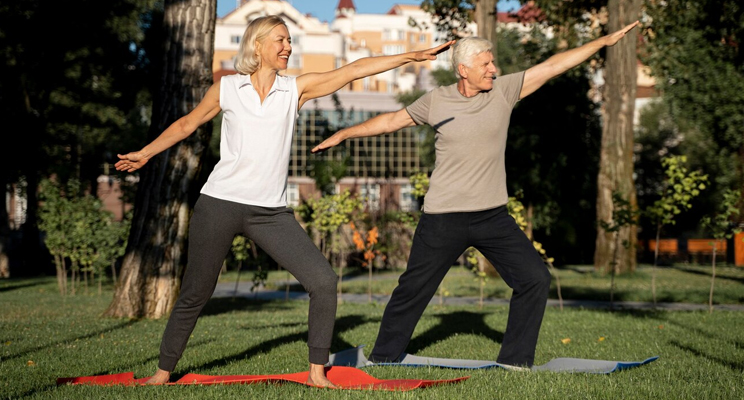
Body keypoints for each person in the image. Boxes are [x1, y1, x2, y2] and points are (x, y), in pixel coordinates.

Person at [116, 15, 453, 387]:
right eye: (280, 40)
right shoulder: (227, 88)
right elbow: (186, 125)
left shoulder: (295, 89)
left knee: (323, 281)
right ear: (257, 44)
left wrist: (411, 57)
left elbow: (354, 69)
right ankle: (162, 373)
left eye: (290, 41)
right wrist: (145, 153)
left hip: (270, 213)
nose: (287, 47)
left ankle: (316, 372)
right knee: (197, 290)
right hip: (219, 203)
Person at [312, 21, 640, 369]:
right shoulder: (437, 100)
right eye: (486, 64)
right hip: (442, 216)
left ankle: (514, 361)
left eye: (493, 63)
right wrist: (344, 133)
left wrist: (602, 41)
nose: (494, 69)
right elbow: (393, 120)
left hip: (491, 216)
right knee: (412, 290)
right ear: (463, 70)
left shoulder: (503, 91)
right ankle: (383, 357)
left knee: (534, 278)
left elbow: (553, 65)